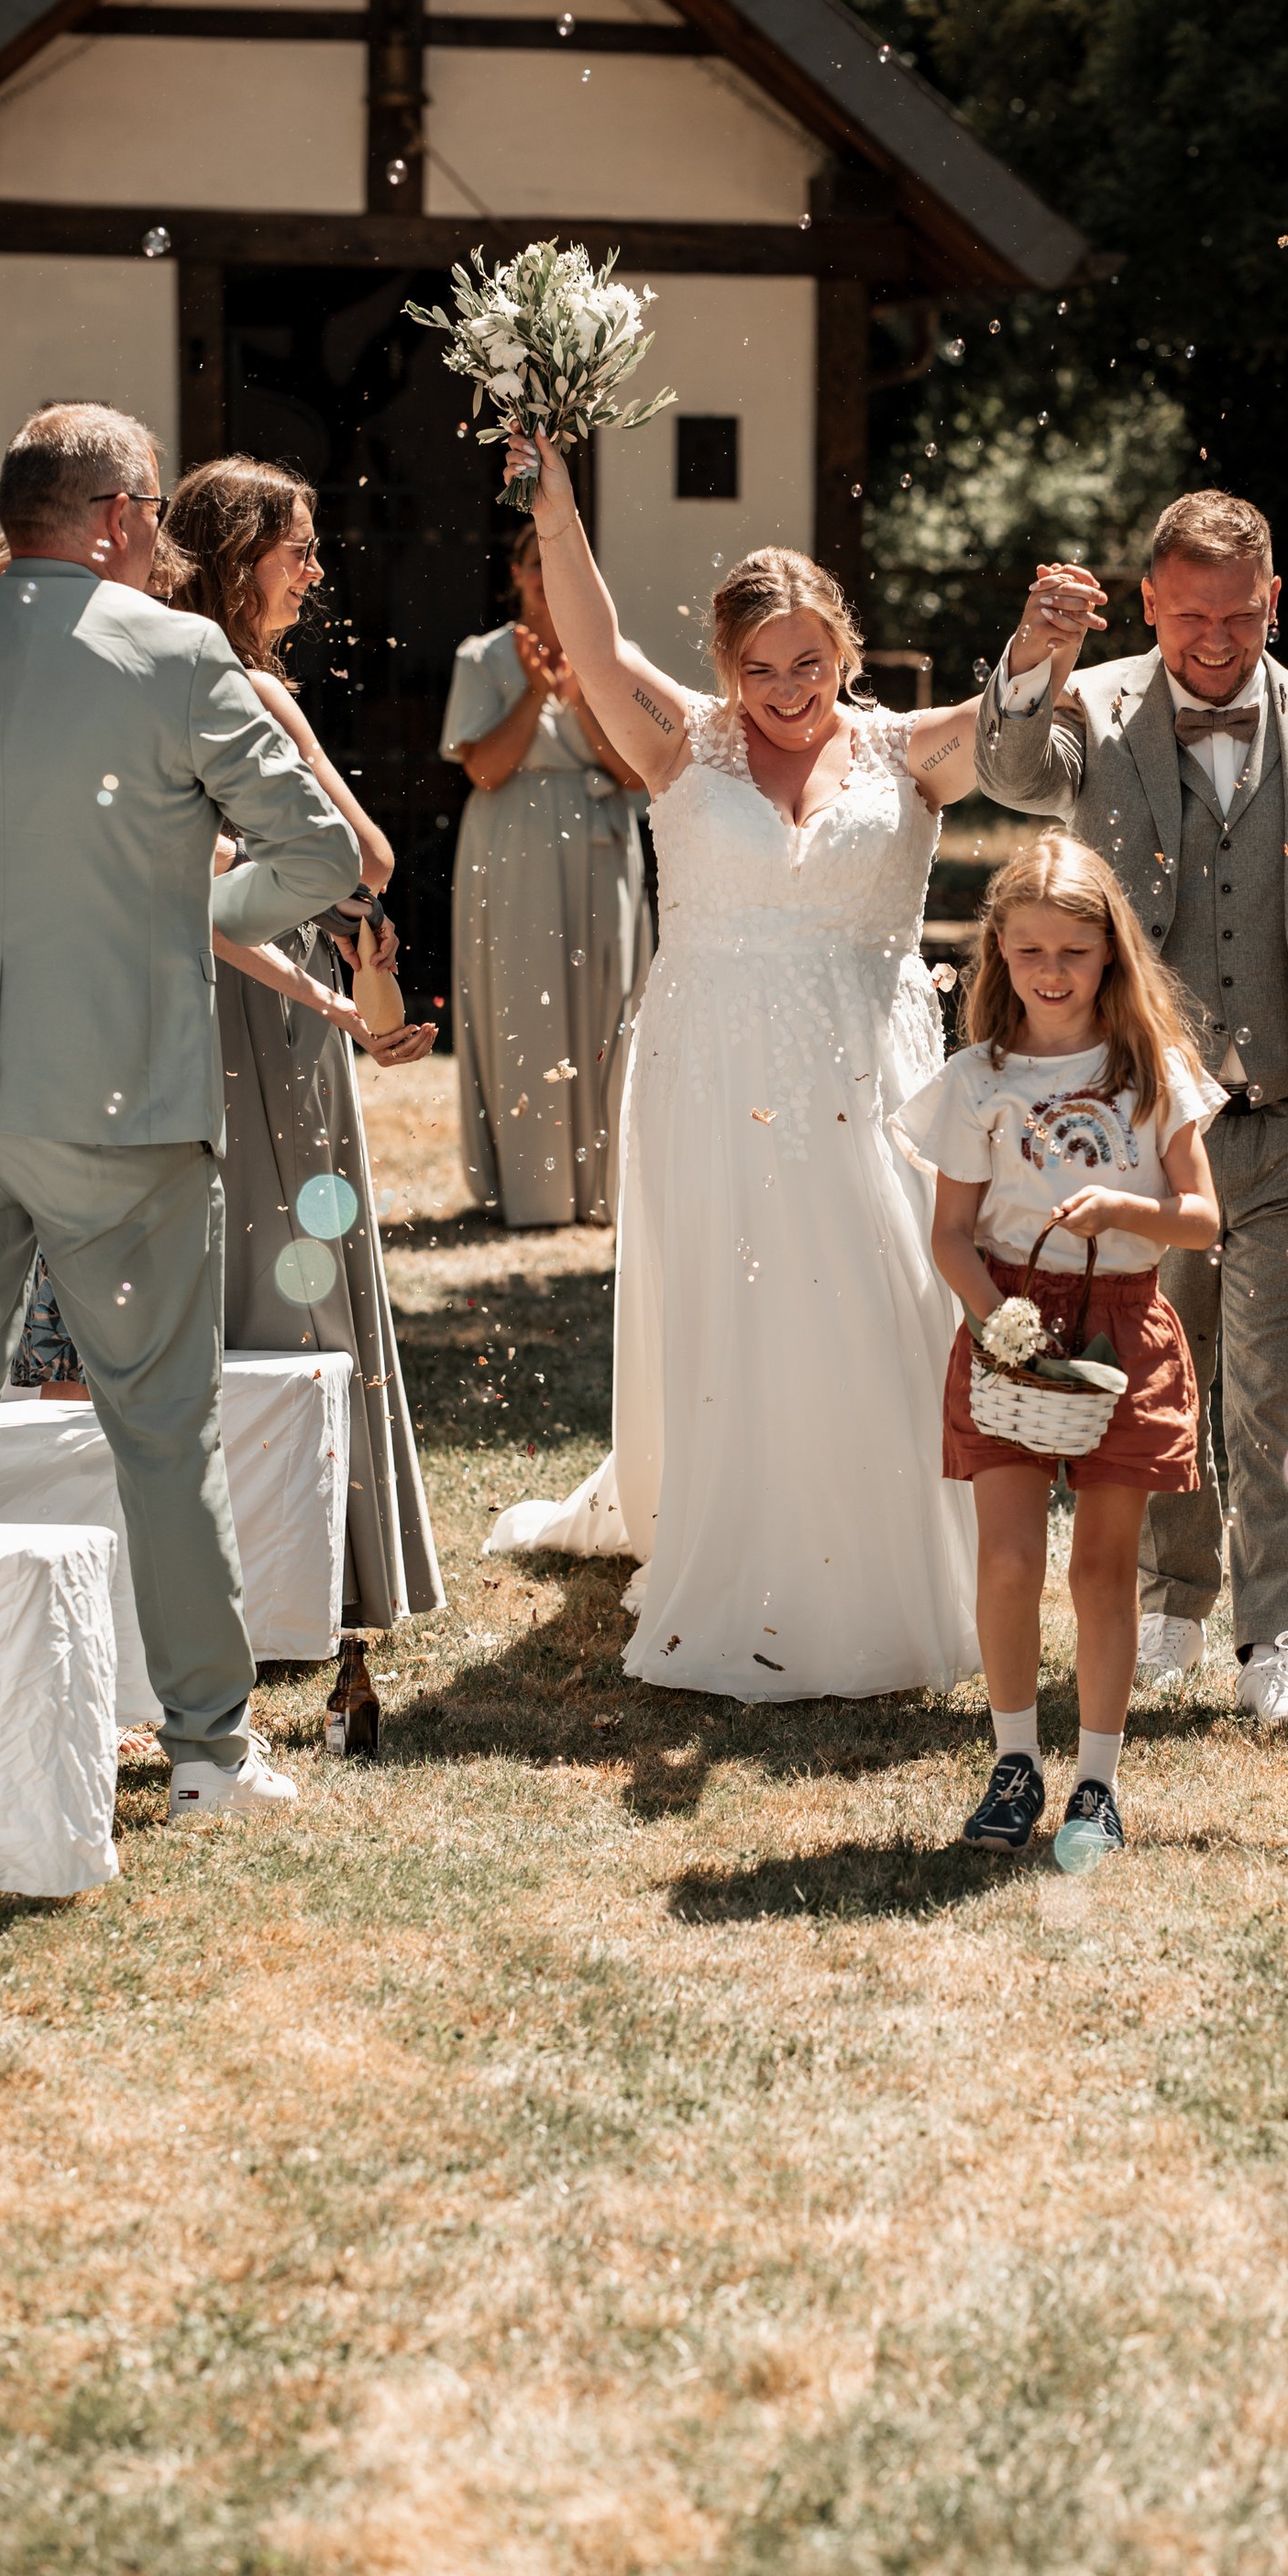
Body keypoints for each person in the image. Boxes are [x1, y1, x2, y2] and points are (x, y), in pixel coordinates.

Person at [0, 403, 359, 1822]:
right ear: (124, 516)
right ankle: (209, 1753)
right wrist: (190, 905)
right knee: (161, 1426)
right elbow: (321, 855)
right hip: (117, 1104)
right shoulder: (181, 655)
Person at [973, 491, 1288, 1721]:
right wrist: (1037, 652)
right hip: (1148, 1125)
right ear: (1149, 603)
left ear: (1274, 601)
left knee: (1275, 1391)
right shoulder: (1093, 707)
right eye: (1189, 615)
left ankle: (1276, 1640)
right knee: (1162, 1377)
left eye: (1239, 615)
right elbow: (1010, 772)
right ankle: (1172, 1604)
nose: (1214, 639)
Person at [485, 439, 983, 1699]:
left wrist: (1046, 646)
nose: (786, 689)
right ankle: (737, 1531)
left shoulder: (909, 751)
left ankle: (880, 1552)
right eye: (759, 667)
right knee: (739, 1295)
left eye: (808, 662)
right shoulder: (682, 746)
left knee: (880, 1289)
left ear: (845, 651)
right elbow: (596, 646)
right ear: (724, 666)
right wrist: (559, 511)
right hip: (711, 1063)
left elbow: (1020, 729)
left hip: (868, 1069)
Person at [160, 457, 444, 1636]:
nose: (317, 571)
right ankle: (318, 1565)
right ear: (239, 560)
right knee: (297, 1257)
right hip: (261, 1014)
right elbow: (365, 857)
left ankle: (216, 1564)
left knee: (203, 1262)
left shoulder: (146, 682)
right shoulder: (251, 693)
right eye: (299, 549)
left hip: (178, 997)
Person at [903, 834, 1222, 1858]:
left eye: (1074, 953)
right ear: (998, 950)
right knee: (1006, 1560)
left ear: (1111, 952)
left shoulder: (1153, 1070)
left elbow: (1202, 1219)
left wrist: (1127, 1207)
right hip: (1007, 1321)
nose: (1052, 971)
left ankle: (1095, 1780)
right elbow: (951, 1234)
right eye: (1030, 950)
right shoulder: (975, 1079)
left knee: (1100, 1569)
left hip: (1121, 1325)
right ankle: (1013, 1763)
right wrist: (995, 1318)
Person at [443, 517, 654, 1231]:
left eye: (560, 564)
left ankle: (602, 1186)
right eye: (536, 564)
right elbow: (483, 769)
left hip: (600, 837)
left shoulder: (618, 660)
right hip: (514, 841)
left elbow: (633, 772)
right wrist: (534, 695)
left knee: (607, 994)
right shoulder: (482, 657)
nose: (546, 578)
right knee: (522, 995)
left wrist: (582, 700)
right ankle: (533, 1188)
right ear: (516, 574)